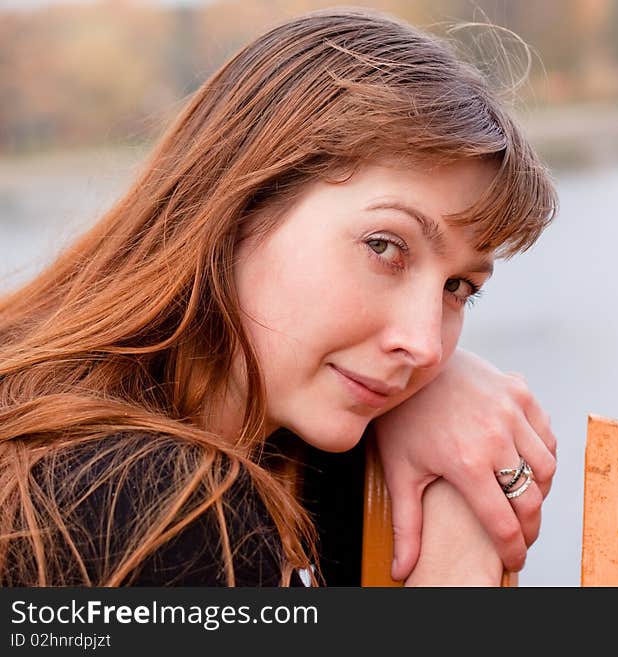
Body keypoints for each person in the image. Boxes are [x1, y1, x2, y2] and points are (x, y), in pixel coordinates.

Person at [0, 7, 557, 587]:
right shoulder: (153, 508)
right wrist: (459, 533)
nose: (422, 345)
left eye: (457, 288)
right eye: (385, 247)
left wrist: (444, 398)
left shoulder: (290, 454)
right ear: (238, 207)